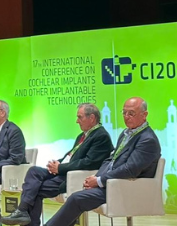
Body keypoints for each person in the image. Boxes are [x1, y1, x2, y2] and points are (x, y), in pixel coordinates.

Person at [44, 97, 161, 226]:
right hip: (112, 184)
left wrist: (100, 180)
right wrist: (97, 177)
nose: (126, 117)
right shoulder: (126, 133)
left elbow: (130, 169)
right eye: (124, 112)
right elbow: (111, 159)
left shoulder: (147, 139)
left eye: (131, 113)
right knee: (76, 197)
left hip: (126, 188)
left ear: (144, 115)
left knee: (76, 199)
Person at [1, 103, 113, 226]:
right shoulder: (82, 135)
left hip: (72, 177)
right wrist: (57, 163)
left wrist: (60, 168)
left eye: (80, 117)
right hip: (64, 171)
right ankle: (22, 211)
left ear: (91, 118)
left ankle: (22, 211)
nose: (77, 121)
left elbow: (88, 162)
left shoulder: (101, 136)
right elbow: (72, 156)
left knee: (34, 189)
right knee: (34, 171)